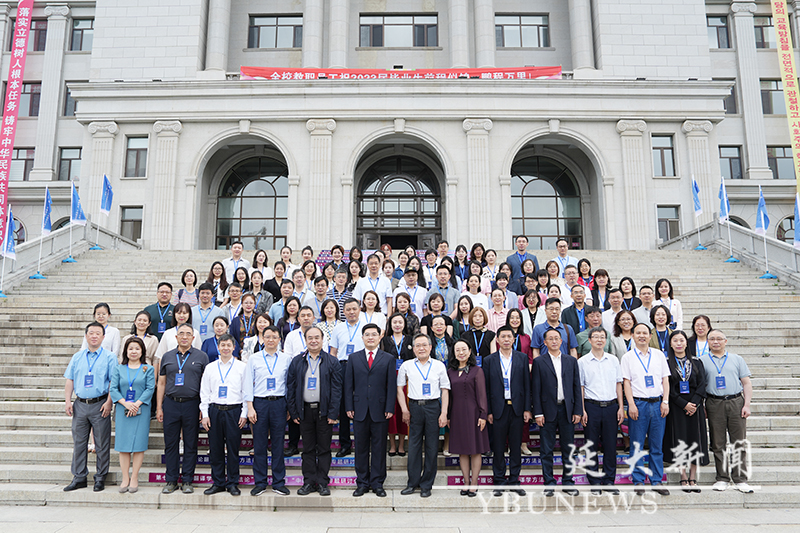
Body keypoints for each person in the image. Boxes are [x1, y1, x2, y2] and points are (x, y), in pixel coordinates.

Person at [287, 327, 342, 496]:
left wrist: (333, 413)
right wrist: (293, 412)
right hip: (304, 411)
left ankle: (323, 482)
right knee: (308, 449)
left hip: (324, 412)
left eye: (317, 337)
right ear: (305, 340)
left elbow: (337, 389)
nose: (313, 341)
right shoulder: (297, 361)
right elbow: (291, 387)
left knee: (324, 449)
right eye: (310, 338)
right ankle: (309, 482)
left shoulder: (332, 361)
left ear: (323, 339)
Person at [63, 322, 117, 492]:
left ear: (103, 337)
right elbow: (70, 379)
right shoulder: (77, 357)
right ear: (86, 336)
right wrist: (68, 401)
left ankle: (100, 477)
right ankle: (79, 477)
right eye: (91, 333)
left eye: (98, 333)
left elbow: (113, 382)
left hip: (100, 404)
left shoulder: (110, 357)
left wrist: (109, 402)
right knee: (79, 443)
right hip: (80, 404)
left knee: (101, 443)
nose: (94, 336)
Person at [345, 323, 396, 497]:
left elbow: (391, 386)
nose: (370, 337)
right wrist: (349, 406)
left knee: (379, 448)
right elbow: (348, 385)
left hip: (380, 410)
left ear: (380, 337)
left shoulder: (388, 358)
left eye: (374, 334)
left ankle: (377, 483)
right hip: (359, 409)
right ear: (362, 337)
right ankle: (362, 483)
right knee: (360, 448)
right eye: (367, 334)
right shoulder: (353, 358)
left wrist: (389, 407)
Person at [157, 323, 208, 494]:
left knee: (190, 443)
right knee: (171, 444)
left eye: (188, 334)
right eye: (181, 334)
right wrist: (159, 407)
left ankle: (187, 480)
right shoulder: (167, 356)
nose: (184, 337)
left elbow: (205, 384)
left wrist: (203, 407)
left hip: (192, 404)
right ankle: (171, 480)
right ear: (176, 337)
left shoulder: (201, 356)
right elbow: (161, 383)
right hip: (171, 403)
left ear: (193, 338)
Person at [701, 329, 754, 493]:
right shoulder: (702, 361)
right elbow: (699, 386)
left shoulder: (737, 359)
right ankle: (722, 478)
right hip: (714, 403)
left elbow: (746, 383)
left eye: (719, 338)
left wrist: (747, 405)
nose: (715, 342)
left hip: (735, 401)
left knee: (739, 441)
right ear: (707, 342)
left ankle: (740, 478)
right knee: (718, 443)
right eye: (712, 339)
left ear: (725, 341)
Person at [397, 334, 451, 498]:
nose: (421, 348)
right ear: (413, 348)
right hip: (414, 407)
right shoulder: (406, 365)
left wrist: (444, 412)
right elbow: (399, 389)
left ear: (430, 347)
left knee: (432, 446)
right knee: (413, 446)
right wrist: (404, 409)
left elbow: (445, 390)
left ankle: (427, 484)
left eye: (424, 345)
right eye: (418, 345)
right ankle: (412, 483)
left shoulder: (439, 365)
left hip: (433, 407)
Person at [621, 323, 671, 496]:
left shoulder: (659, 355)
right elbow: (626, 382)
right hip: (638, 404)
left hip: (658, 404)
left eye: (645, 333)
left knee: (657, 445)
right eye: (638, 333)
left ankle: (656, 480)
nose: (641, 336)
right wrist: (631, 404)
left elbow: (665, 380)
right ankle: (638, 480)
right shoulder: (627, 357)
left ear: (650, 336)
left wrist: (665, 401)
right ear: (633, 336)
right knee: (637, 445)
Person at [244, 325, 292, 496]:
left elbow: (289, 384)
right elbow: (248, 383)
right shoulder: (254, 359)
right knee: (260, 445)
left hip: (279, 403)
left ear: (279, 340)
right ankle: (260, 482)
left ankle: (278, 482)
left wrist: (289, 407)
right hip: (260, 404)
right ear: (262, 339)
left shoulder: (286, 359)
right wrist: (250, 407)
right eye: (268, 337)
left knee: (278, 445)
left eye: (274, 337)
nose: (271, 340)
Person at [484, 326, 531, 496]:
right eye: (502, 336)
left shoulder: (522, 358)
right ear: (497, 340)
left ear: (513, 339)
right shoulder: (489, 360)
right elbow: (486, 388)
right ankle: (499, 480)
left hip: (517, 408)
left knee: (515, 446)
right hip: (498, 409)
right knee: (498, 447)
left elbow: (527, 385)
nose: (505, 339)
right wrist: (488, 411)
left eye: (508, 337)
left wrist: (527, 408)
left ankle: (515, 480)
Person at [200, 334, 248, 496]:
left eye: (229, 345)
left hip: (234, 411)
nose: (225, 348)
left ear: (234, 347)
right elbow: (204, 392)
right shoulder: (210, 367)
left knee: (233, 449)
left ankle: (233, 483)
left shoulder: (242, 367)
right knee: (215, 449)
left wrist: (244, 413)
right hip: (214, 411)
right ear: (218, 347)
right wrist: (205, 414)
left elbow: (246, 392)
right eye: (223, 345)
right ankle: (218, 482)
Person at [578, 327, 623, 495]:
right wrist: (582, 409)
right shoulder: (582, 362)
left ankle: (609, 480)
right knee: (591, 445)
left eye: (602, 337)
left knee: (610, 446)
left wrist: (620, 407)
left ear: (606, 340)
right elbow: (581, 387)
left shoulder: (613, 360)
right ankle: (594, 481)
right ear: (589, 340)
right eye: (596, 337)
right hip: (591, 407)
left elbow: (618, 384)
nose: (599, 340)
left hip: (611, 407)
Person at [664, 330, 708, 493]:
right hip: (676, 407)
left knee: (694, 440)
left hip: (695, 407)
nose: (679, 343)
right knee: (680, 439)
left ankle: (693, 476)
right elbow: (668, 387)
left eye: (681, 340)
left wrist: (694, 403)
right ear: (670, 344)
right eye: (675, 340)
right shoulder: (667, 362)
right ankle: (683, 475)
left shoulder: (696, 361)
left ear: (686, 343)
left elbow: (702, 384)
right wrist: (684, 404)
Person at [110, 337, 155, 493]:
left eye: (137, 348)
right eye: (130, 349)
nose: (134, 351)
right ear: (125, 351)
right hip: (123, 409)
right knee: (123, 445)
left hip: (141, 410)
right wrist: (125, 403)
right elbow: (113, 389)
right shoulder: (119, 369)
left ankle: (134, 477)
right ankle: (125, 478)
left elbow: (150, 388)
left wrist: (136, 404)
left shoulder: (148, 369)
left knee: (138, 445)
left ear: (142, 351)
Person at [447, 339, 489, 496]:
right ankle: (465, 481)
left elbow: (482, 394)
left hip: (474, 414)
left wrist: (483, 414)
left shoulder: (477, 370)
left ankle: (474, 482)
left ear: (470, 351)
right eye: (457, 350)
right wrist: (448, 416)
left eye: (464, 349)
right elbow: (449, 396)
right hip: (456, 414)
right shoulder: (450, 372)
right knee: (462, 450)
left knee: (475, 449)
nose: (461, 352)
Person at [329, 298, 364, 457]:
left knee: (361, 405)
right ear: (343, 312)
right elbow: (333, 352)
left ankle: (362, 443)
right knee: (344, 406)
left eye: (354, 309)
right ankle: (345, 444)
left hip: (362, 367)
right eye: (348, 309)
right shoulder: (338, 328)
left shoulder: (366, 327)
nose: (351, 312)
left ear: (359, 309)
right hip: (342, 367)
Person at [382, 313, 414, 456]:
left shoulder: (410, 339)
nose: (397, 325)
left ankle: (401, 444)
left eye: (400, 322)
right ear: (390, 324)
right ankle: (392, 445)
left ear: (404, 324)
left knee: (403, 411)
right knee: (391, 410)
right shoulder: (385, 340)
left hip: (406, 379)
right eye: (394, 322)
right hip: (389, 378)